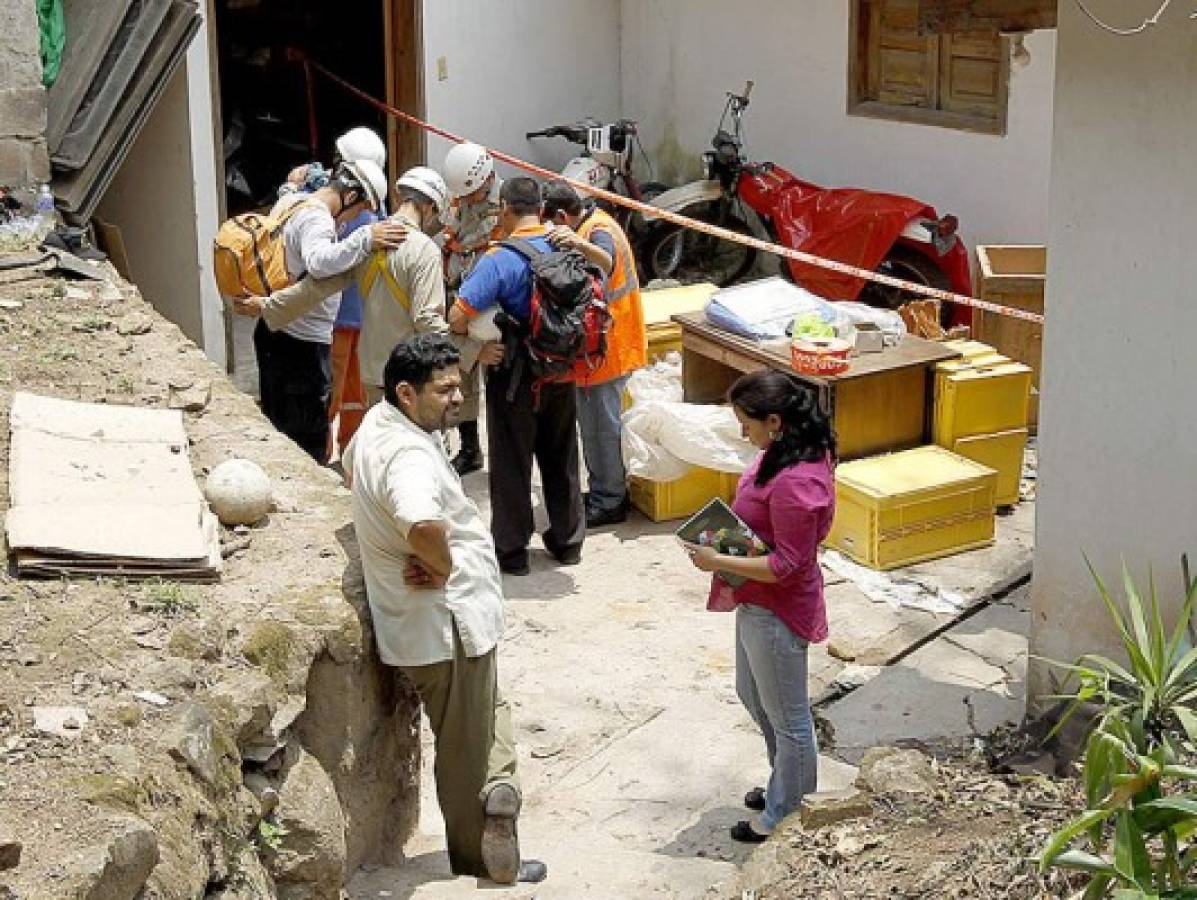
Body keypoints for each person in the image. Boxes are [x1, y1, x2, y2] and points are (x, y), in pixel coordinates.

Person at [342, 334, 546, 885]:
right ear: (407, 393)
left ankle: (503, 788)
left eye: (460, 386)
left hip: (442, 622)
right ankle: (484, 855)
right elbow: (423, 520)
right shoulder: (407, 455)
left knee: (489, 706)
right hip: (443, 622)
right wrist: (444, 564)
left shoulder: (381, 428)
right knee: (464, 748)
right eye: (445, 390)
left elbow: (348, 469)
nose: (457, 399)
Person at [684, 370, 836, 843]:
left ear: (774, 420)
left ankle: (785, 813)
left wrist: (718, 558)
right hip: (757, 601)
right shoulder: (784, 452)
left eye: (745, 422)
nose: (740, 431)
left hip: (777, 609)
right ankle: (783, 783)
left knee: (789, 718)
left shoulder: (796, 482)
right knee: (755, 697)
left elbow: (789, 563)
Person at [236, 168, 466, 409]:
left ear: (398, 198)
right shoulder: (424, 250)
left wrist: (265, 305)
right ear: (429, 206)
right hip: (410, 376)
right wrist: (462, 356)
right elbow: (427, 320)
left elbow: (314, 289)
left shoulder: (369, 241)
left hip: (373, 371)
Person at [448, 177, 584, 576]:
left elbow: (458, 316)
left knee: (510, 461)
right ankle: (568, 543)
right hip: (561, 370)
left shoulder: (499, 259)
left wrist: (475, 345)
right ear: (540, 209)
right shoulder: (566, 246)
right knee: (562, 458)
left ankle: (512, 551)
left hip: (514, 376)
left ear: (505, 208)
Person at [252, 159, 403, 462]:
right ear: (350, 196)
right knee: (306, 438)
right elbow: (319, 263)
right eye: (361, 208)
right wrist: (365, 239)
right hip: (300, 344)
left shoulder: (293, 201)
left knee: (279, 423)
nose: (359, 216)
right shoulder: (317, 219)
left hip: (277, 331)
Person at [541, 182, 646, 528]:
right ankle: (603, 489)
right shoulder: (592, 222)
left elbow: (605, 260)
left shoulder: (598, 232)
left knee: (602, 429)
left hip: (610, 347)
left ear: (561, 215)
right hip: (600, 346)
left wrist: (576, 244)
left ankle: (610, 500)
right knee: (593, 426)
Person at [442, 142, 503, 476]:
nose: (465, 202)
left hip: (494, 302)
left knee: (499, 375)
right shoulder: (458, 198)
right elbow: (442, 230)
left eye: (472, 195)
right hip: (460, 298)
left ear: (487, 179)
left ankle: (504, 446)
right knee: (462, 376)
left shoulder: (507, 203)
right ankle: (470, 449)